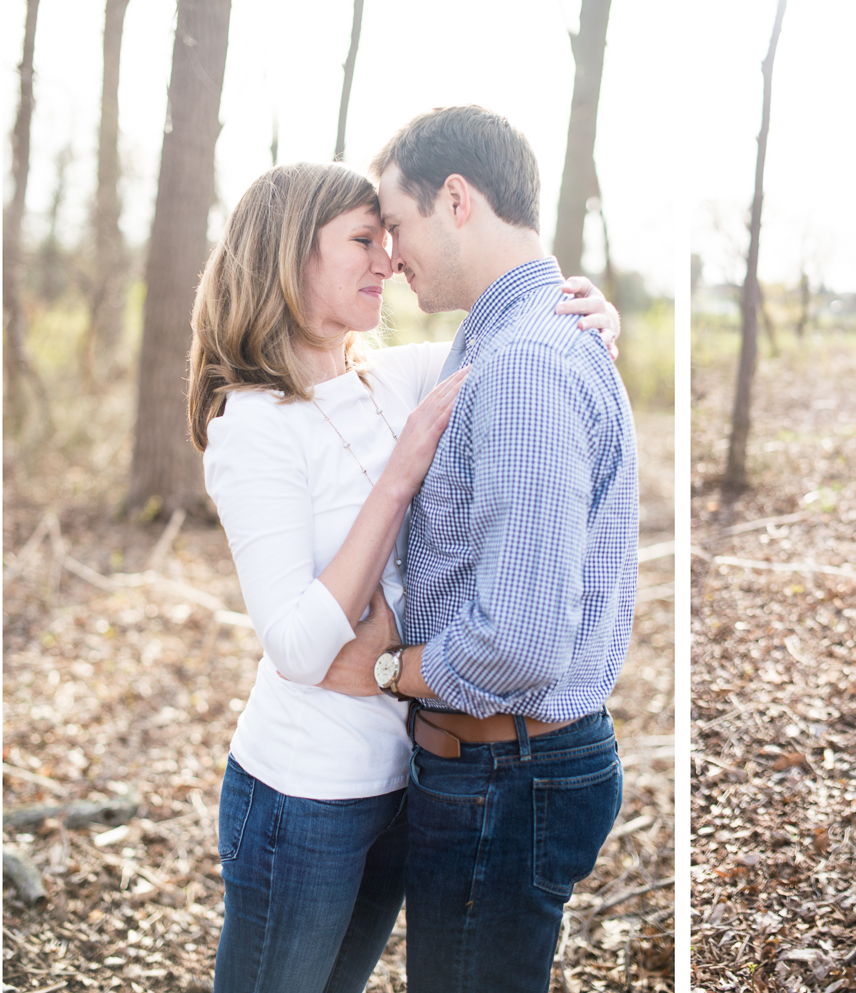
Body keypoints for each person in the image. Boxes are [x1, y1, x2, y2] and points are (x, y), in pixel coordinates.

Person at [190, 160, 620, 993]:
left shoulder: (397, 376)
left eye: (388, 238)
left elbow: (522, 349)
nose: (387, 258)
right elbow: (296, 645)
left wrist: (589, 311)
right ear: (288, 256)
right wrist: (398, 478)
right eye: (362, 239)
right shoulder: (251, 427)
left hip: (406, 785)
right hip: (300, 797)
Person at [355, 105, 639, 992]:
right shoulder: (517, 340)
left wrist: (388, 669)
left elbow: (518, 637)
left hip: (504, 776)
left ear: (456, 197)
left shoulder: (523, 365)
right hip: (501, 767)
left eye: (395, 224)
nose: (390, 253)